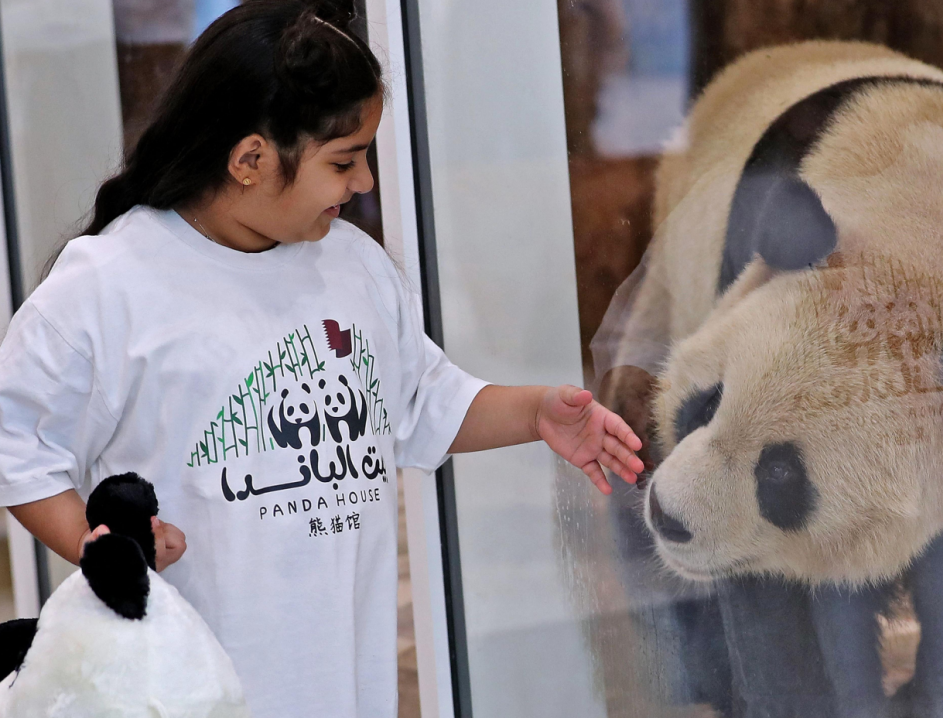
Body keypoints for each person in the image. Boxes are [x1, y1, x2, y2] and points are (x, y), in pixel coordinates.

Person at [0, 2, 644, 717]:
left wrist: (534, 412)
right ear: (249, 159)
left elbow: (418, 400)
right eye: (344, 160)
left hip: (346, 685)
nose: (365, 182)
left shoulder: (352, 267)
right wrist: (102, 550)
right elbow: (17, 445)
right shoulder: (110, 284)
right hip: (186, 692)